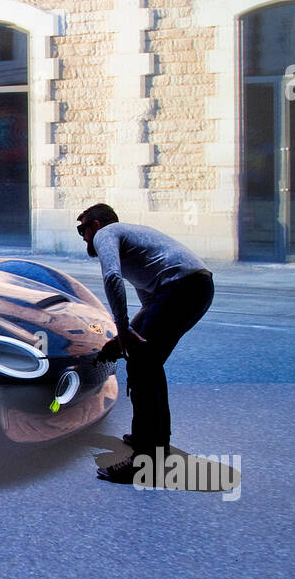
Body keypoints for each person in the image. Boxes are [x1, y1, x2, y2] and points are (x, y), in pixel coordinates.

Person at [76, 203, 214, 485]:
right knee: (144, 360)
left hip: (182, 287)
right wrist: (121, 338)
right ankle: (150, 442)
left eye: (83, 228)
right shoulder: (135, 251)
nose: (83, 236)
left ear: (97, 225)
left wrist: (123, 329)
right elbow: (150, 305)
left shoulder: (108, 234)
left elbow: (111, 277)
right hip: (194, 288)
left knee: (143, 363)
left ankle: (146, 461)